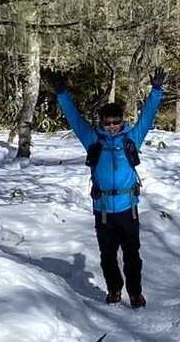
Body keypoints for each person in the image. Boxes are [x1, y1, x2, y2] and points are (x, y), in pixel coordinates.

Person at [48, 67, 166, 307]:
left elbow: (147, 117)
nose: (113, 126)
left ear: (122, 121)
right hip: (102, 209)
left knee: (132, 255)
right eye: (108, 122)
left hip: (127, 208)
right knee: (108, 255)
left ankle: (135, 293)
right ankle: (114, 289)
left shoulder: (131, 139)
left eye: (116, 122)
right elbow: (74, 119)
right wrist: (61, 93)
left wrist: (156, 91)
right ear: (102, 122)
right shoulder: (93, 140)